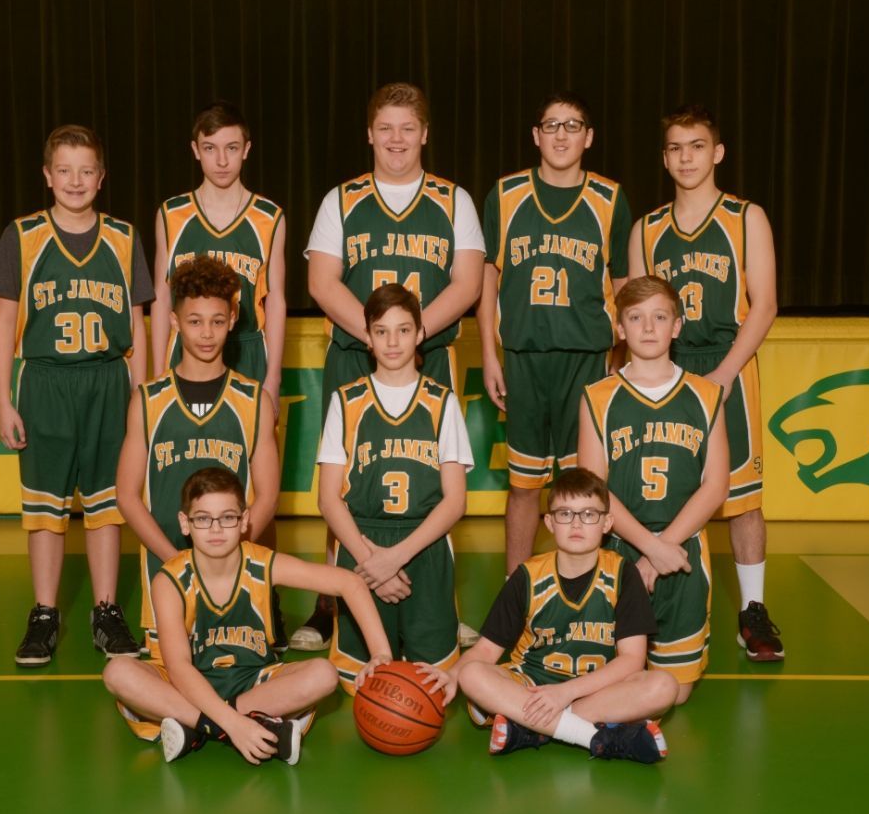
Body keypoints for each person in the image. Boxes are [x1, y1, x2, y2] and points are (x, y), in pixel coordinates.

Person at [295, 81, 485, 651]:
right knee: (347, 487)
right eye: (386, 129)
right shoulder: (342, 200)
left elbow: (468, 282)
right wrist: (380, 339)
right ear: (369, 134)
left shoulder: (455, 201)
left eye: (408, 128)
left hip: (429, 362)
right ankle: (330, 603)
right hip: (354, 359)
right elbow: (322, 282)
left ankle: (439, 607)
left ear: (425, 133)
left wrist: (409, 336)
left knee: (432, 488)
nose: (396, 139)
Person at [0, 124, 153, 667]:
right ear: (47, 175)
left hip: (107, 380)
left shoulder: (124, 238)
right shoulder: (23, 235)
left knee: (108, 504)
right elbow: (4, 320)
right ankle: (44, 612)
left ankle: (106, 610)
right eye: (65, 170)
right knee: (45, 509)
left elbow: (138, 321)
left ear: (101, 178)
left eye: (86, 171)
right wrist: (2, 400)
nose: (75, 180)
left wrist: (141, 398)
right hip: (46, 383)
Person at [103, 467, 392, 764]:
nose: (216, 529)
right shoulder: (170, 580)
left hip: (254, 682)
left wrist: (381, 653)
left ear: (244, 521)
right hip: (186, 687)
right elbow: (178, 667)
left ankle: (192, 729)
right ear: (185, 523)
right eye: (203, 519)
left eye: (227, 517)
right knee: (118, 672)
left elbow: (350, 583)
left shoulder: (261, 563)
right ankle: (255, 726)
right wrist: (233, 725)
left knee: (324, 674)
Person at [629, 105, 782, 661]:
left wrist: (721, 375)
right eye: (674, 148)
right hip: (664, 368)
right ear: (664, 157)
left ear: (717, 153)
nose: (685, 157)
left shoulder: (746, 218)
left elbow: (763, 306)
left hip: (727, 365)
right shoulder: (646, 229)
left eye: (696, 146)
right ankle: (645, 607)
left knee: (741, 496)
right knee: (659, 490)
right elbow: (634, 313)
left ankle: (753, 610)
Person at [420, 468, 677, 763]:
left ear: (607, 523)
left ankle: (529, 727)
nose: (577, 523)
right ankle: (594, 737)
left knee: (663, 686)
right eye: (565, 513)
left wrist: (564, 694)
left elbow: (631, 659)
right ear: (549, 522)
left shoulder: (623, 574)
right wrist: (452, 676)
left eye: (589, 514)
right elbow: (486, 650)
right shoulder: (527, 576)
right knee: (472, 675)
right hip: (531, 685)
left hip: (594, 691)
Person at [478, 92, 632, 578]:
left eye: (572, 126)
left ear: (589, 137)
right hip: (524, 357)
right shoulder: (505, 196)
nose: (561, 135)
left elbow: (624, 288)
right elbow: (488, 282)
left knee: (583, 486)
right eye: (551, 125)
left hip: (586, 358)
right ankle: (515, 591)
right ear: (535, 135)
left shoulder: (609, 199)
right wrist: (489, 353)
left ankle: (581, 586)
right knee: (523, 487)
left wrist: (619, 357)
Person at [116, 255, 280, 660]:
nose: (207, 333)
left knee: (237, 679)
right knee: (152, 680)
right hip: (168, 576)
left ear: (233, 319)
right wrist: (178, 563)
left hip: (236, 583)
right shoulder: (148, 401)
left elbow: (269, 497)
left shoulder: (254, 400)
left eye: (217, 321)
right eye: (194, 321)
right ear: (173, 321)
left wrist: (226, 560)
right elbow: (127, 496)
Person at [578, 276, 729, 703]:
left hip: (682, 550)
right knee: (613, 674)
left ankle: (560, 716)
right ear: (620, 328)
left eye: (660, 317)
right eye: (636, 318)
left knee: (674, 695)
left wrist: (662, 550)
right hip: (615, 550)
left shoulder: (706, 395)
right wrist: (648, 549)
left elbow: (716, 486)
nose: (648, 328)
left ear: (677, 326)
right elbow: (594, 489)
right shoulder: (596, 397)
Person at [317, 284, 473, 690]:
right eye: (382, 331)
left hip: (425, 547)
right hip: (361, 548)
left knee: (432, 686)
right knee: (361, 685)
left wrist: (394, 559)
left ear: (421, 334)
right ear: (366, 337)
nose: (392, 341)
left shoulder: (443, 403)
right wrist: (372, 563)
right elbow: (329, 500)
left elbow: (455, 501)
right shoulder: (346, 401)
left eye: (404, 330)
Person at [150, 100, 285, 412]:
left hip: (248, 350)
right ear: (196, 150)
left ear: (247, 149)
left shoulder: (269, 217)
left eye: (232, 148)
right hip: (185, 351)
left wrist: (273, 378)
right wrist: (158, 372)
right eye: (210, 148)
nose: (221, 160)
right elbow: (161, 294)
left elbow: (276, 300)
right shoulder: (172, 214)